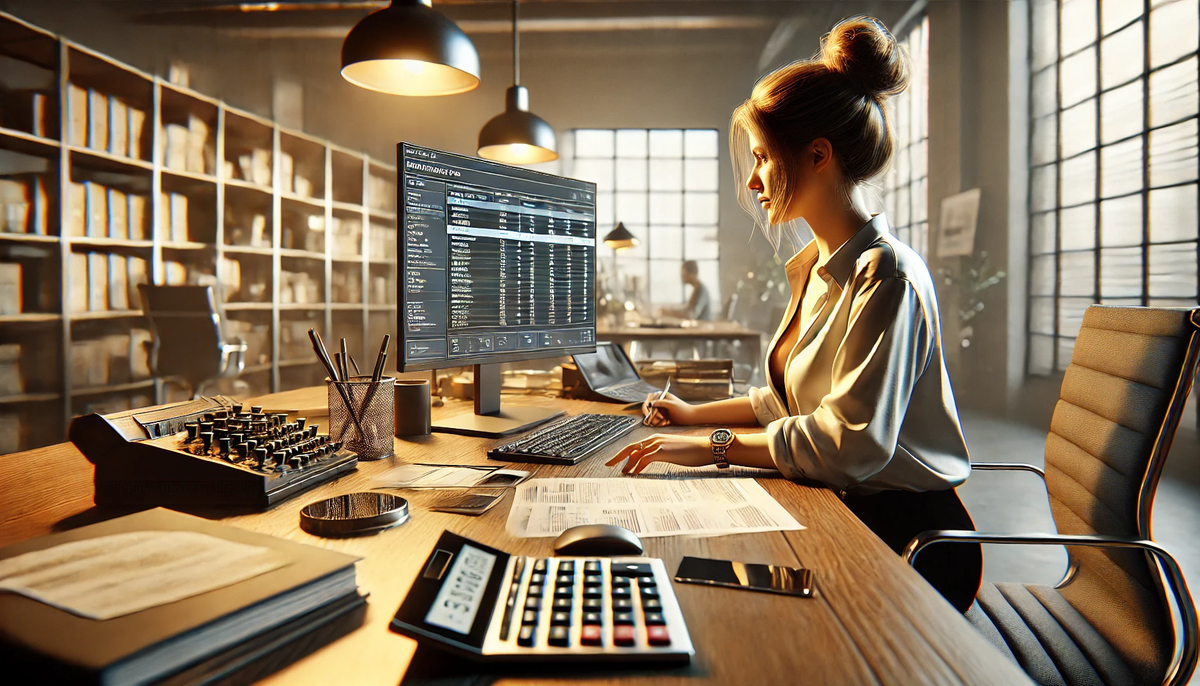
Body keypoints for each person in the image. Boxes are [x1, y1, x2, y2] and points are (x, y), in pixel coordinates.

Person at [607, 16, 982, 612]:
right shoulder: (821, 267)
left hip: (908, 542)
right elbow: (790, 399)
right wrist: (692, 415)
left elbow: (846, 444)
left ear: (816, 155)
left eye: (762, 157)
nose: (754, 180)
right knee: (686, 568)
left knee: (714, 592)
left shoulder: (888, 277)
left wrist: (712, 444)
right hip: (844, 505)